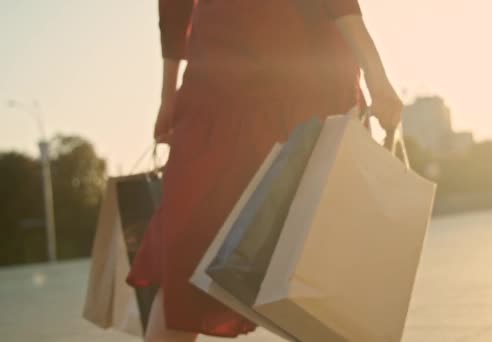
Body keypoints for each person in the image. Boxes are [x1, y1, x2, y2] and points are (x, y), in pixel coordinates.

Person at [127, 0, 404, 341]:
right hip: (220, 74)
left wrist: (377, 75)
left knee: (317, 250)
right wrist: (167, 97)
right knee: (187, 247)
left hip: (301, 69)